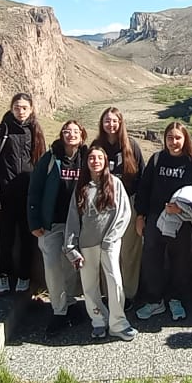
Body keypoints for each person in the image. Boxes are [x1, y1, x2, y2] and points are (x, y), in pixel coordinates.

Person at [134, 121, 192, 322]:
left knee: (180, 261)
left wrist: (182, 209)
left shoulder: (191, 162)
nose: (173, 142)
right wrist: (140, 215)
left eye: (177, 138)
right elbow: (144, 188)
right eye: (169, 138)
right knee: (152, 260)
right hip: (155, 219)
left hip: (181, 221)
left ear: (185, 139)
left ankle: (176, 299)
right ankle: (154, 300)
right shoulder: (157, 159)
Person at [65, 146, 138, 342]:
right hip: (87, 243)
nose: (95, 161)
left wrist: (110, 238)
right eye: (91, 158)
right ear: (87, 162)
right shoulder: (81, 187)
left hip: (110, 243)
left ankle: (118, 323)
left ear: (105, 161)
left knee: (115, 282)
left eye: (99, 158)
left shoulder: (115, 183)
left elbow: (124, 214)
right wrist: (71, 247)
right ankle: (98, 321)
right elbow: (73, 218)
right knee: (89, 285)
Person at [29, 120, 90, 335]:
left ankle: (70, 303)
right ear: (62, 135)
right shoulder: (50, 158)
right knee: (53, 266)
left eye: (75, 131)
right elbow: (35, 189)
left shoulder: (87, 157)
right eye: (67, 131)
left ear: (82, 135)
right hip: (52, 222)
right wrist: (34, 221)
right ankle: (58, 310)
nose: (71, 134)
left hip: (78, 223)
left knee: (71, 266)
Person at [0, 93, 46, 296]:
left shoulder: (36, 131)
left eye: (24, 108)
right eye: (17, 107)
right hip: (6, 196)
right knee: (6, 239)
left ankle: (24, 276)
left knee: (28, 239)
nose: (21, 111)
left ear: (31, 109)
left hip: (28, 197)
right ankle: (3, 275)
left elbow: (41, 164)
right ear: (11, 108)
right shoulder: (0, 132)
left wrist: (40, 195)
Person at [90, 107, 145, 306]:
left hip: (129, 203)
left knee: (129, 251)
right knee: (106, 250)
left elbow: (142, 178)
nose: (111, 124)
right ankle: (109, 294)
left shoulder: (131, 145)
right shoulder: (97, 145)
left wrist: (141, 212)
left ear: (121, 123)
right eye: (107, 121)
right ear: (102, 123)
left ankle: (128, 294)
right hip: (103, 206)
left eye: (114, 121)